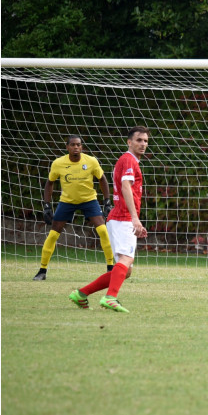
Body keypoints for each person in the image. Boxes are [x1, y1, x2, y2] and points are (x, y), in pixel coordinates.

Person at [68, 126, 150, 313]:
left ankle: (81, 294)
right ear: (129, 142)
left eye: (145, 141)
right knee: (126, 259)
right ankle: (110, 297)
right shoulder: (129, 159)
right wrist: (135, 219)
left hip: (119, 218)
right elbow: (126, 186)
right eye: (139, 140)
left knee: (125, 270)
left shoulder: (129, 160)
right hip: (123, 218)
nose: (143, 144)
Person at [33, 135, 114, 280]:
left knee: (103, 230)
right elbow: (49, 183)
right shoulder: (58, 163)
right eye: (73, 145)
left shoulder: (91, 161)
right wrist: (46, 205)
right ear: (67, 147)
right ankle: (42, 271)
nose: (76, 147)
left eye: (78, 145)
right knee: (53, 234)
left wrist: (107, 201)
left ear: (82, 147)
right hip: (67, 202)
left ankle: (110, 268)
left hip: (89, 200)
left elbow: (102, 179)